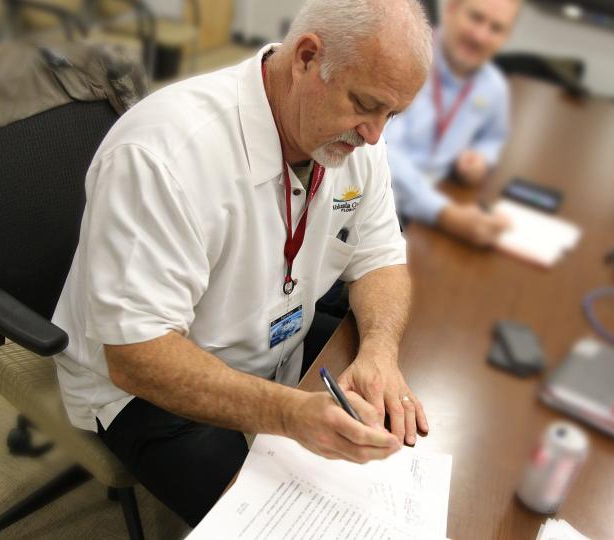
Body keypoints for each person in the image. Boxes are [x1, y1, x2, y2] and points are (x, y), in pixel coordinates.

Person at [50, 0, 433, 527]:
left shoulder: (350, 136)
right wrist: (287, 413)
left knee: (402, 420)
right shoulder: (166, 155)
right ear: (305, 58)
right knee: (286, 526)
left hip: (272, 336)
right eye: (367, 105)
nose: (375, 135)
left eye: (392, 115)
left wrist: (380, 353)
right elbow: (137, 356)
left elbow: (381, 257)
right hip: (147, 383)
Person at [384, 0, 521, 246]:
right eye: (476, 18)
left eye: (496, 28)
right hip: (382, 205)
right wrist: (445, 214)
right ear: (451, 9)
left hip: (442, 196)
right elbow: (382, 154)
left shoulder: (494, 86)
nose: (480, 36)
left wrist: (480, 158)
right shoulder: (404, 59)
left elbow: (494, 137)